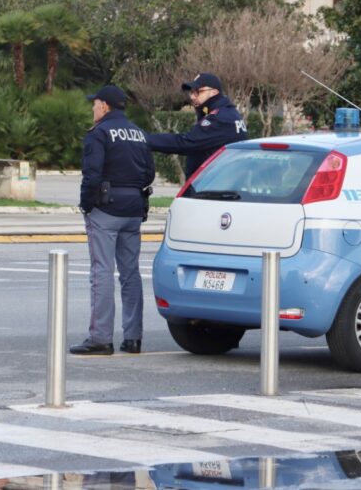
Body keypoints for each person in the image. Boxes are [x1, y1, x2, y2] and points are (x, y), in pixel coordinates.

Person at [71, 85, 155, 356]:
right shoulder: (139, 134)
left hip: (106, 210)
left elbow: (91, 174)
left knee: (102, 272)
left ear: (105, 106)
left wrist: (86, 205)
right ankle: (133, 338)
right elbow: (149, 174)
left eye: (94, 104)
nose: (92, 108)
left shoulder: (100, 133)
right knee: (130, 274)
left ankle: (100, 338)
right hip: (133, 210)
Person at [146, 72, 248, 179]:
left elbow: (186, 143)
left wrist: (145, 139)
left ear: (213, 92)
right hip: (222, 184)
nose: (192, 97)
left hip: (212, 188)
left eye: (197, 92)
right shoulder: (229, 113)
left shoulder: (218, 118)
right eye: (191, 92)